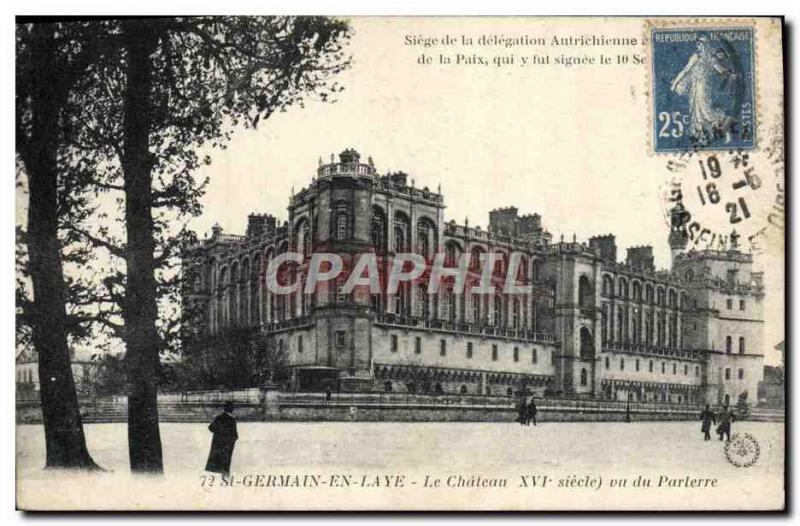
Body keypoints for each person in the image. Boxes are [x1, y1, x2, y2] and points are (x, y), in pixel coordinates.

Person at [205, 401, 238, 475]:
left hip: (218, 443)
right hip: (227, 444)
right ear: (231, 409)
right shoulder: (232, 420)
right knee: (226, 463)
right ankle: (225, 478)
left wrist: (219, 433)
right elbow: (235, 435)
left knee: (216, 461)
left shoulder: (219, 418)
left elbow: (211, 427)